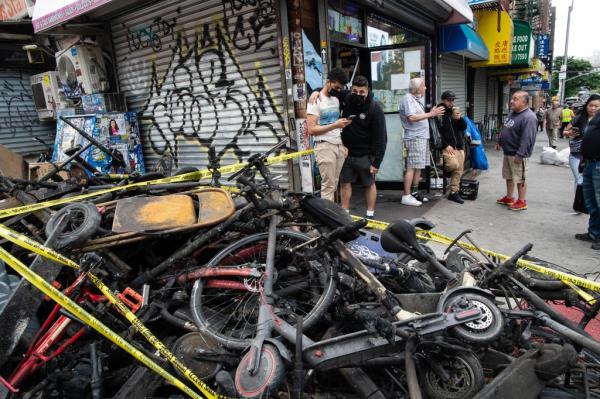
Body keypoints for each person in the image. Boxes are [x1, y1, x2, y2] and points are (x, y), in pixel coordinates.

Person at [338, 75, 387, 218]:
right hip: (347, 153)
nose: (357, 94)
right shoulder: (347, 98)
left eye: (361, 92)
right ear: (351, 89)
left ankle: (370, 214)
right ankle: (344, 214)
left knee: (369, 184)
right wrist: (316, 92)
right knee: (345, 183)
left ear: (367, 91)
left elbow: (381, 138)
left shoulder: (375, 108)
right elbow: (331, 90)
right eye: (355, 91)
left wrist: (377, 161)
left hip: (366, 156)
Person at [306, 67, 351, 202]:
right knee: (328, 186)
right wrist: (336, 125)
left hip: (338, 146)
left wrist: (342, 145)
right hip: (324, 146)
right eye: (336, 87)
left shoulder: (336, 100)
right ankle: (327, 218)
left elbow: (336, 127)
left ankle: (331, 216)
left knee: (334, 184)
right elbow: (311, 129)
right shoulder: (315, 100)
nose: (338, 91)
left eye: (340, 88)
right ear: (328, 82)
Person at [398, 77, 445, 206]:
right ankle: (406, 195)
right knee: (411, 166)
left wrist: (431, 113)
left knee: (418, 166)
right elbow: (412, 117)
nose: (425, 88)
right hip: (415, 137)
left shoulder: (415, 100)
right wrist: (431, 114)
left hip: (421, 137)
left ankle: (414, 193)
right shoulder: (408, 99)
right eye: (423, 86)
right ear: (418, 88)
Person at [495, 90, 538, 211]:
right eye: (512, 98)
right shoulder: (513, 113)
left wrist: (520, 154)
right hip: (508, 152)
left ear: (524, 102)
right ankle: (509, 198)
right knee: (509, 176)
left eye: (515, 99)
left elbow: (527, 139)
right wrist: (500, 142)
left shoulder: (529, 117)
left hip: (518, 154)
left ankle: (522, 201)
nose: (511, 101)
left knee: (520, 178)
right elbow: (505, 129)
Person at [564, 94, 600, 192]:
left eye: (596, 106)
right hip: (577, 156)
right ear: (586, 106)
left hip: (595, 159)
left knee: (593, 183)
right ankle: (580, 202)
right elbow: (565, 131)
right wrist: (570, 133)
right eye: (590, 105)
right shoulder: (579, 118)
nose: (593, 108)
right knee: (580, 180)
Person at [437, 91, 467, 204]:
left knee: (459, 171)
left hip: (458, 146)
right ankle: (444, 173)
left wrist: (459, 119)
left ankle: (454, 192)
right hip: (447, 147)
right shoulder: (439, 113)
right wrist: (445, 145)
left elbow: (463, 127)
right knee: (453, 165)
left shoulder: (455, 112)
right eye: (449, 100)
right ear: (443, 100)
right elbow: (437, 132)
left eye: (453, 100)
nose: (451, 103)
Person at [576, 111, 600, 250]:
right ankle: (594, 232)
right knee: (591, 202)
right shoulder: (596, 116)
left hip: (598, 164)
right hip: (590, 163)